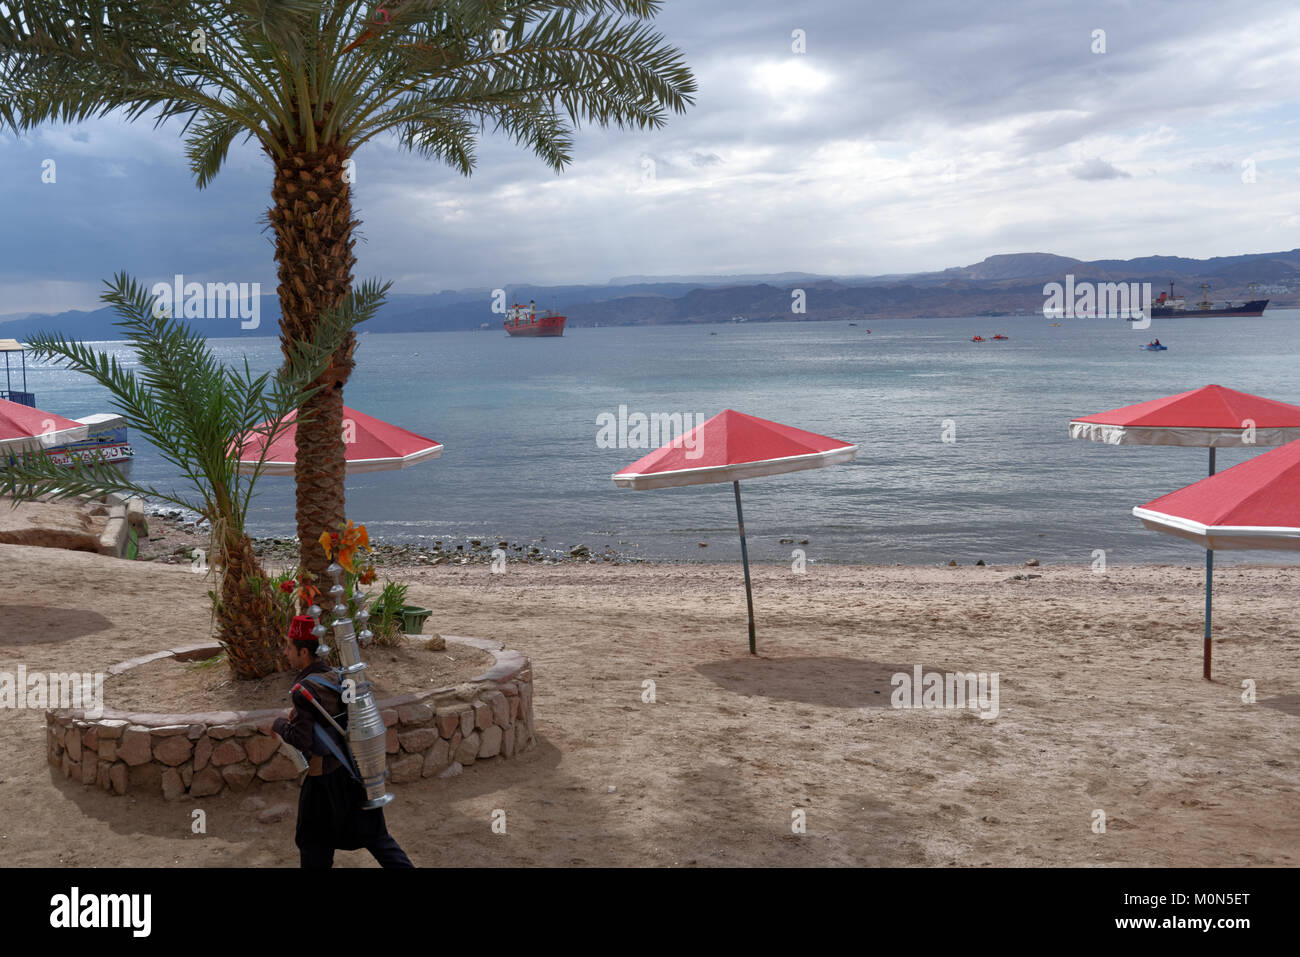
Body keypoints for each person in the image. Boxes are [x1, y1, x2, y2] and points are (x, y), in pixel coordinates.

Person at [262, 615, 413, 868]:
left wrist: (279, 725)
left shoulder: (304, 690)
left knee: (313, 845)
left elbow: (302, 740)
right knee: (377, 838)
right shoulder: (338, 677)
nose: (285, 652)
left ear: (304, 652)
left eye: (289, 647)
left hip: (324, 782)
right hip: (356, 772)